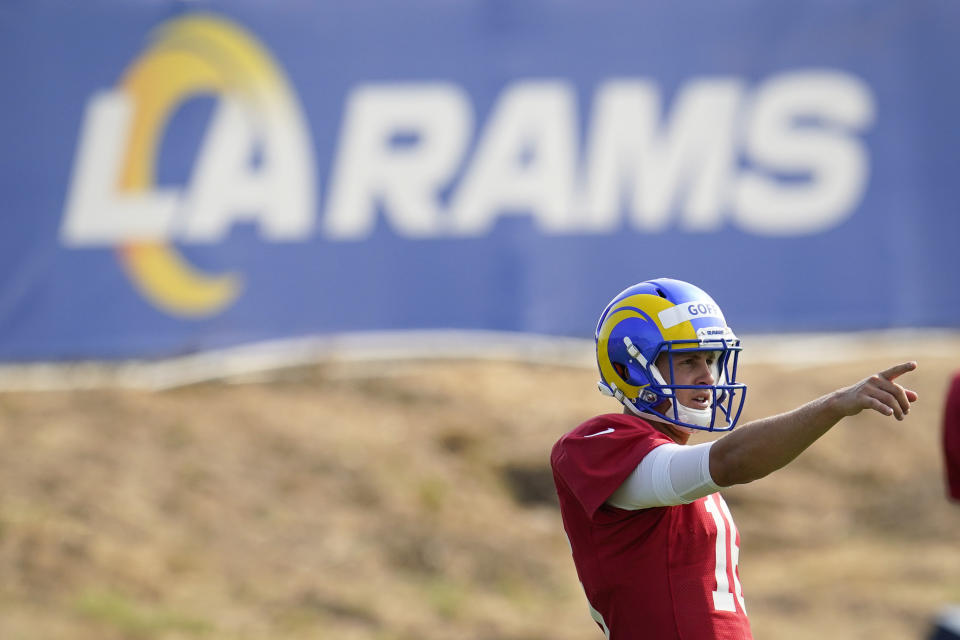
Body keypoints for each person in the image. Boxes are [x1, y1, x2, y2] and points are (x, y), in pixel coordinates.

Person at [550, 278, 918, 640]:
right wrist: (835, 405)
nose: (707, 376)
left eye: (710, 359)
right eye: (689, 360)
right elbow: (730, 461)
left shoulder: (675, 456)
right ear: (629, 368)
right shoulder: (597, 443)